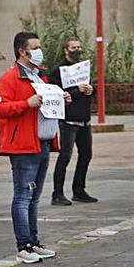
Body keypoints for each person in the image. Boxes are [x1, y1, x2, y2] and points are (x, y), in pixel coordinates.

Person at [0, 31, 70, 264]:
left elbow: (45, 102)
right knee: (23, 196)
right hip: (23, 146)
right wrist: (26, 103)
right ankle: (23, 245)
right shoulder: (11, 78)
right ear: (22, 51)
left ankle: (34, 242)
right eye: (35, 48)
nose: (39, 51)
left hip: (42, 142)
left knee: (35, 197)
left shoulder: (40, 77)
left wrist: (60, 96)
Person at [48, 38, 98, 205]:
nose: (76, 50)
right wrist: (77, 91)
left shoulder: (83, 68)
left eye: (78, 47)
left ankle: (79, 189)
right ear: (65, 50)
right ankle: (57, 193)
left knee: (86, 154)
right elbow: (57, 93)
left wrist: (91, 90)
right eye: (73, 47)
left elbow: (90, 89)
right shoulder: (58, 71)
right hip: (68, 120)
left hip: (84, 119)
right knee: (65, 156)